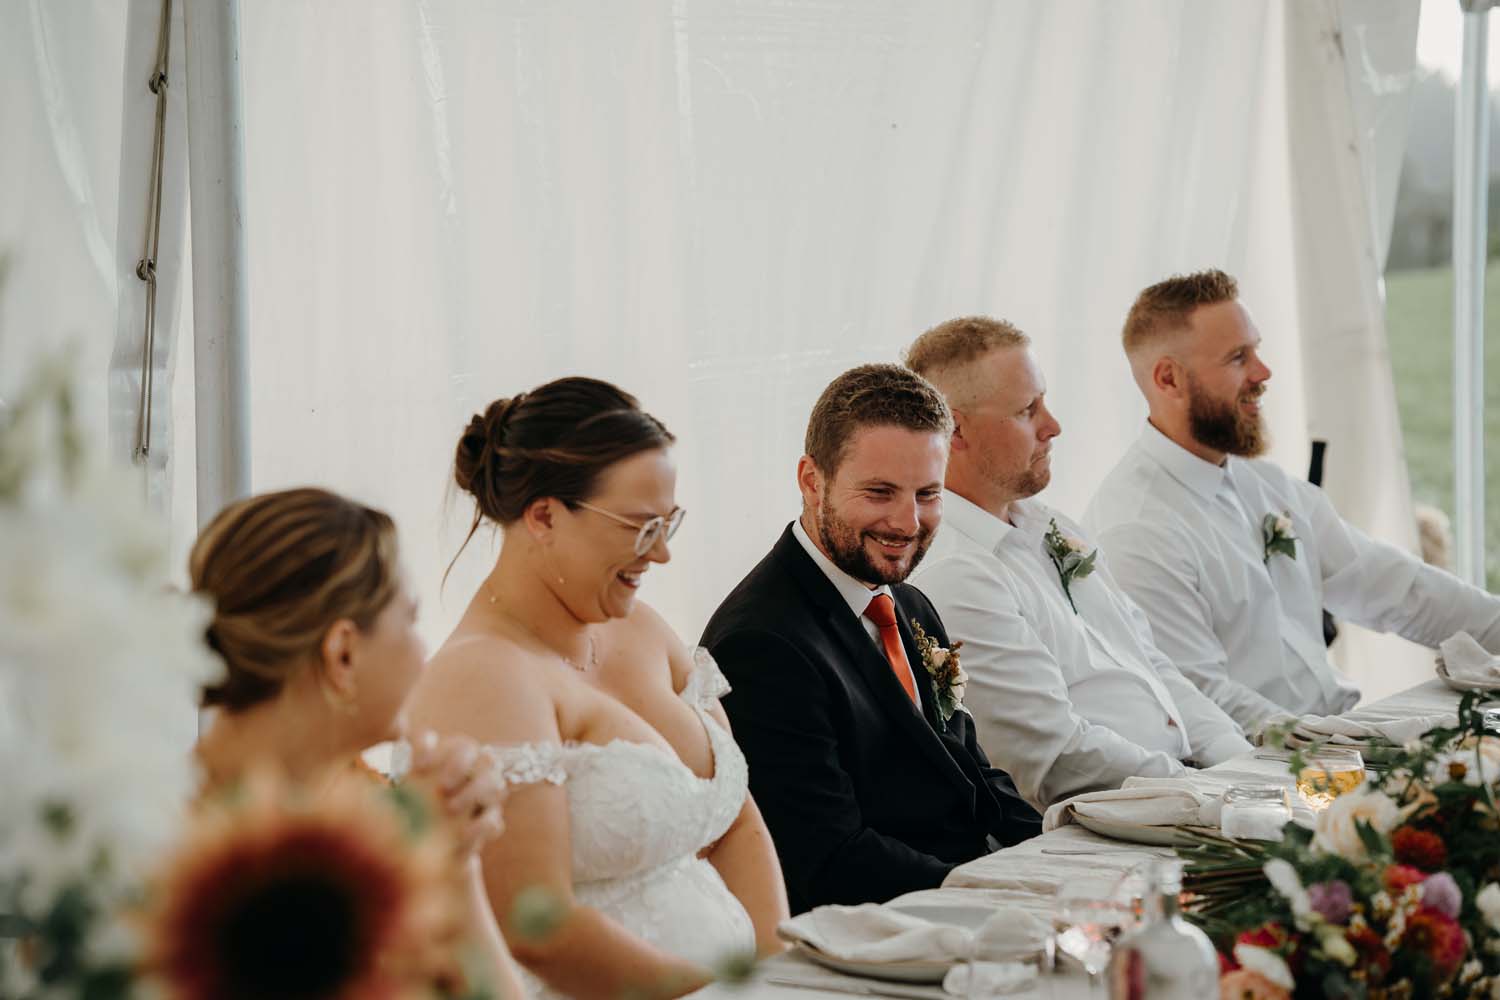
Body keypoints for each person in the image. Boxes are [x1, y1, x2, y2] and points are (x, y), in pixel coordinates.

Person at [405, 378, 788, 1000]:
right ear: (545, 516)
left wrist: (777, 975)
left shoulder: (640, 627)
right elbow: (536, 927)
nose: (661, 554)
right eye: (640, 528)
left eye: (669, 524)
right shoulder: (484, 676)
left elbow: (735, 816)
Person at [1084, 269, 1500, 731]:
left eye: (1256, 351)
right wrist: (1362, 745)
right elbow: (1202, 702)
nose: (1263, 373)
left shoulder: (1267, 486)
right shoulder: (1136, 528)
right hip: (1256, 774)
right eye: (1238, 358)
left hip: (1334, 741)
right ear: (1169, 379)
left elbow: (1400, 589)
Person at [700, 363, 1040, 914]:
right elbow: (829, 857)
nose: (908, 523)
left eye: (928, 494)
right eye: (880, 493)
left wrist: (1060, 862)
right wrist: (995, 895)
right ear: (813, 481)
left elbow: (972, 772)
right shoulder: (760, 643)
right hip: (883, 933)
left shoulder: (907, 601)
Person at [190, 487, 524, 1000]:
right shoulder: (171, 856)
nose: (423, 651)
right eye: (410, 620)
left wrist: (458, 862)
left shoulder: (378, 812)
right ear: (343, 653)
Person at [904, 317, 1251, 810]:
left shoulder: (1049, 525)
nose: (1053, 426)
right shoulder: (956, 573)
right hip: (1110, 821)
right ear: (956, 430)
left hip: (1186, 790)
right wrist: (1207, 791)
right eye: (1028, 410)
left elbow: (1151, 665)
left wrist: (1240, 761)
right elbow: (1052, 758)